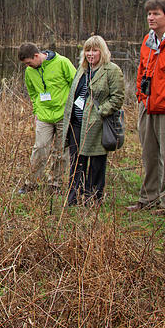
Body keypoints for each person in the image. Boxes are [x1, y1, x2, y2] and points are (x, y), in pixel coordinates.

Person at [127, 0, 165, 211]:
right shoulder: (148, 41)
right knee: (149, 154)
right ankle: (148, 198)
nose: (150, 17)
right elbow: (141, 70)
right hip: (147, 106)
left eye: (156, 14)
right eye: (149, 14)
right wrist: (141, 95)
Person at [60, 36, 125, 205]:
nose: (90, 54)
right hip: (76, 125)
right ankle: (73, 197)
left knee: (96, 163)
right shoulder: (82, 70)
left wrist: (99, 112)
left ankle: (93, 198)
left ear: (102, 52)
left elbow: (117, 99)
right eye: (88, 50)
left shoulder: (111, 70)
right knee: (76, 162)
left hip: (97, 126)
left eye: (95, 50)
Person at [17, 43, 76, 192]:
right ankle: (32, 182)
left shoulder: (62, 62)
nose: (28, 66)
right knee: (40, 148)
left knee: (61, 151)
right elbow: (33, 93)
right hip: (44, 116)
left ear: (37, 56)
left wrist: (74, 109)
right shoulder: (29, 72)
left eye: (29, 63)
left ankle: (54, 184)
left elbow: (76, 84)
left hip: (64, 115)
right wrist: (36, 111)